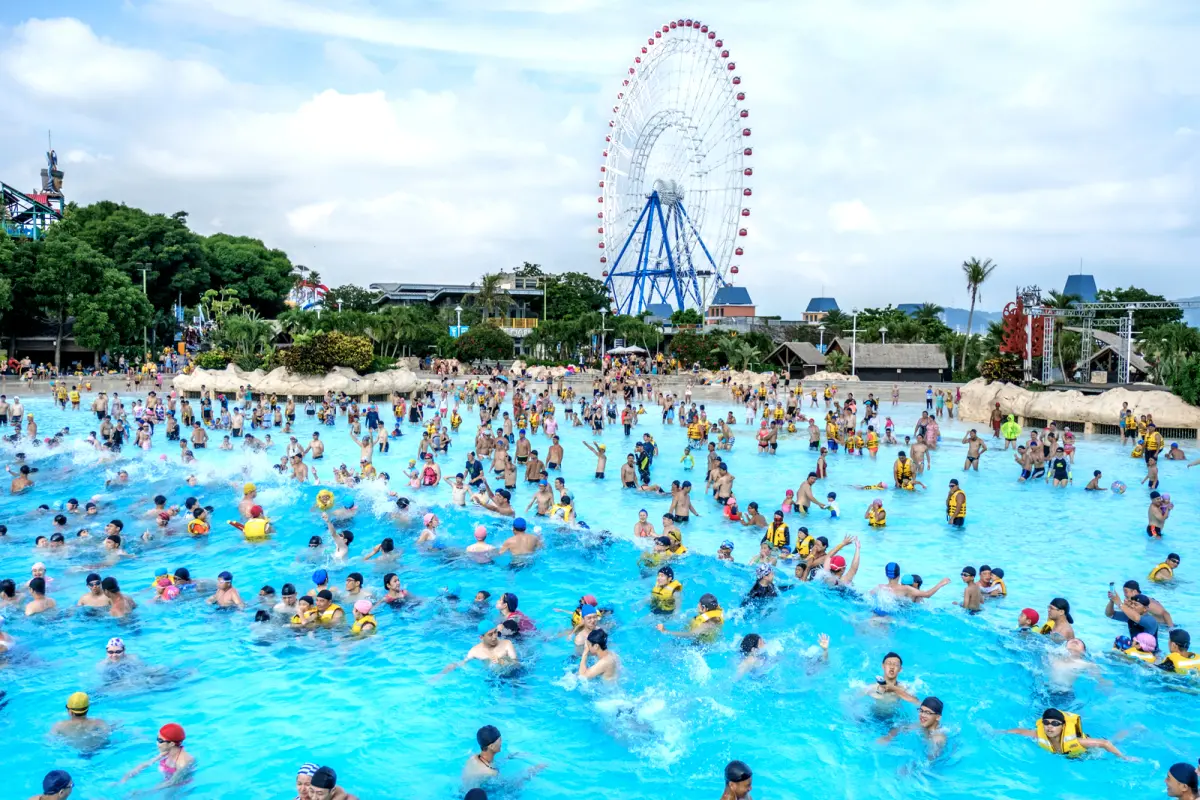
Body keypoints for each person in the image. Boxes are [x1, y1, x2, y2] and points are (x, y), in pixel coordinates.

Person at [1004, 708, 1126, 758]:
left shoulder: (1077, 741)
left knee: (1114, 741)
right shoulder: (1038, 735)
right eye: (1046, 722)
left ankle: (1132, 730)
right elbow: (1018, 731)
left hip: (1086, 754)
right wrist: (998, 732)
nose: (1050, 727)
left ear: (1062, 726)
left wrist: (1124, 758)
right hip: (1067, 756)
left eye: (1055, 724)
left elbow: (1105, 743)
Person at [122, 722, 195, 785]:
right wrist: (127, 776)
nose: (157, 743)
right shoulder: (167, 752)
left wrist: (143, 792)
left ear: (172, 744)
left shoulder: (183, 762)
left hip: (179, 786)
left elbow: (172, 782)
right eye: (157, 739)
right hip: (168, 780)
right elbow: (147, 763)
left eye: (160, 741)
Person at [878, 696, 946, 758]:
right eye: (921, 711)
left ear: (938, 717)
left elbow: (930, 761)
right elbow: (901, 727)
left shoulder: (937, 739)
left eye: (928, 713)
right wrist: (888, 737)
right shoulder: (922, 724)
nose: (922, 715)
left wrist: (911, 768)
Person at [442, 622, 518, 675]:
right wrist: (441, 674)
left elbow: (517, 664)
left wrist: (502, 661)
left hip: (512, 675)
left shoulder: (507, 644)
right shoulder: (474, 651)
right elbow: (462, 663)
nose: (494, 636)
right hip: (492, 678)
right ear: (481, 637)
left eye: (495, 632)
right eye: (490, 635)